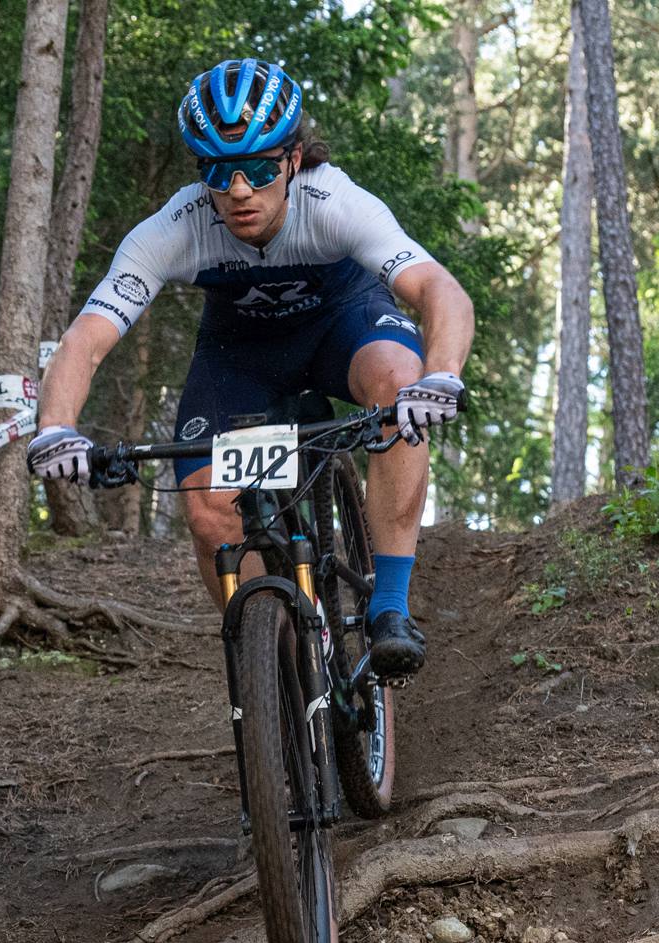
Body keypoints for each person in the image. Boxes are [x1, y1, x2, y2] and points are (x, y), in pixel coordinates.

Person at [26, 57, 475, 678]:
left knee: (400, 389)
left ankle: (390, 607)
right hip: (241, 356)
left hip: (343, 328)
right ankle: (277, 667)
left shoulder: (334, 202)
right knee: (207, 509)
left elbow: (437, 289)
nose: (239, 190)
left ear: (293, 160)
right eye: (218, 171)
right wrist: (56, 427)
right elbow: (87, 338)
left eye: (259, 169)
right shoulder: (177, 227)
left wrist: (441, 374)